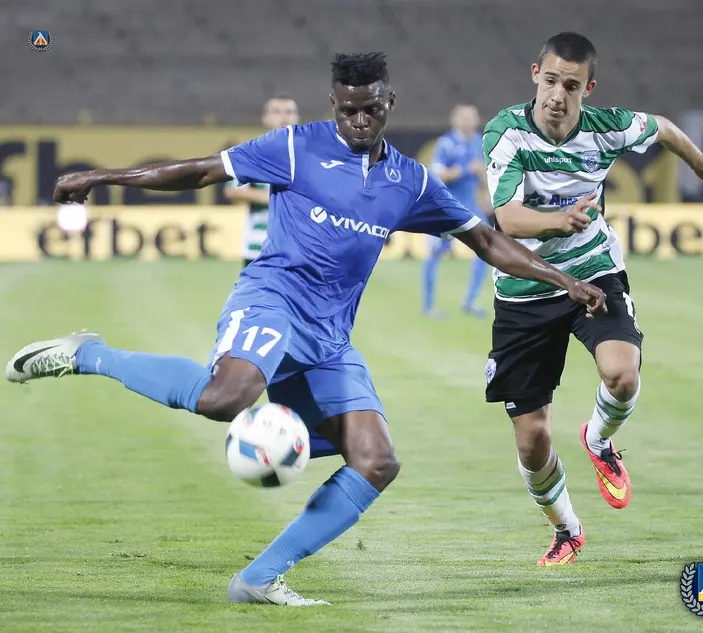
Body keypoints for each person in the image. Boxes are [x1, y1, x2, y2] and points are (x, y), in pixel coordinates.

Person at [6, 52, 606, 606]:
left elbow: (487, 241)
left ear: (390, 103)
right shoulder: (296, 147)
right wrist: (104, 177)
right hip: (272, 300)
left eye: (370, 109)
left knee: (375, 460)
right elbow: (200, 171)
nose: (359, 121)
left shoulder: (411, 183)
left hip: (328, 338)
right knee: (224, 398)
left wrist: (562, 279)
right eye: (347, 110)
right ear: (334, 105)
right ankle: (90, 354)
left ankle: (258, 579)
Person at [482, 32, 703, 566]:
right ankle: (567, 529)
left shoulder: (606, 127)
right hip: (526, 288)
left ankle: (598, 440)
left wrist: (698, 162)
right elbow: (507, 218)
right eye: (551, 81)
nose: (557, 95)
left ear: (588, 89)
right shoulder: (506, 131)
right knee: (531, 441)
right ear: (535, 74)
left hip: (593, 272)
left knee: (623, 373)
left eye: (571, 86)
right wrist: (560, 219)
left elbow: (661, 126)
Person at [424, 104, 491, 318]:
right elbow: (438, 174)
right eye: (465, 118)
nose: (470, 122)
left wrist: (486, 192)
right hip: (448, 205)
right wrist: (463, 170)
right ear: (455, 121)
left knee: (487, 248)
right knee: (436, 252)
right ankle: (429, 306)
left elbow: (481, 170)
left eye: (472, 118)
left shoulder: (478, 141)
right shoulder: (447, 143)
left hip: (471, 205)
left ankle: (471, 301)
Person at [223, 95, 300, 268]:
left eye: (289, 112)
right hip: (259, 245)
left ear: (297, 118)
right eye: (277, 112)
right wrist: (278, 198)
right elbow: (232, 190)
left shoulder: (308, 154)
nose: (284, 117)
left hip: (299, 247)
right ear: (265, 118)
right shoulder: (253, 152)